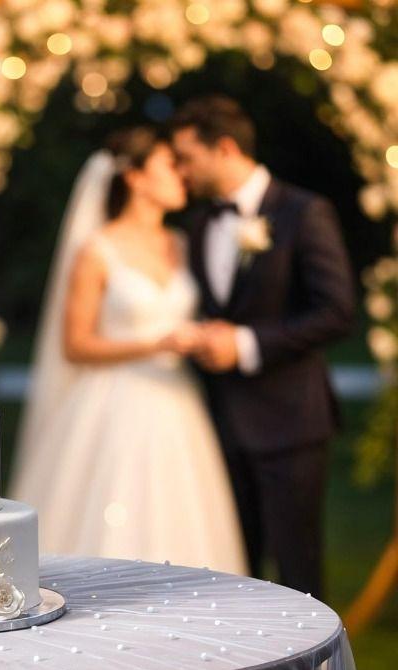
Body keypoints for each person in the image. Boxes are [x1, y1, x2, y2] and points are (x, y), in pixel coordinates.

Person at [11, 127, 247, 574]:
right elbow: (75, 345)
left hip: (178, 400)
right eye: (169, 165)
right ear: (135, 177)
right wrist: (154, 343)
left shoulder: (181, 244)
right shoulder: (96, 250)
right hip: (114, 400)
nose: (181, 174)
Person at [170, 96, 355, 598]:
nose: (181, 170)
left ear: (225, 148)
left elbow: (337, 311)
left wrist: (246, 344)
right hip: (219, 426)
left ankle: (312, 656)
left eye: (187, 157)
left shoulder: (304, 212)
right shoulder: (199, 225)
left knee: (299, 576)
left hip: (291, 424)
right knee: (234, 573)